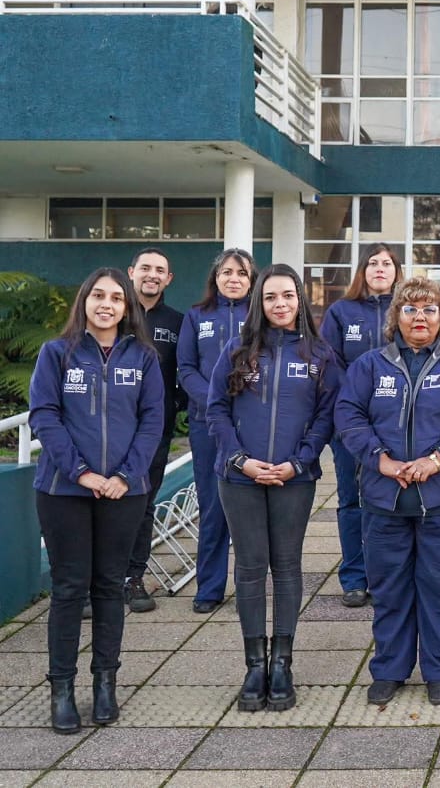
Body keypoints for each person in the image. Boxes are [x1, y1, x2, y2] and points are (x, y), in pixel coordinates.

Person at [334, 277, 440, 707]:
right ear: (396, 318)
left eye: (428, 310)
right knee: (389, 589)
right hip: (385, 499)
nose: (419, 317)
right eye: (409, 310)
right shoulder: (369, 366)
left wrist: (437, 459)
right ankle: (390, 668)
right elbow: (348, 414)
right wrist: (380, 460)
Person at [29, 268, 164, 733]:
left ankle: (105, 684)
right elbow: (44, 416)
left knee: (110, 586)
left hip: (124, 492)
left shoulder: (143, 358)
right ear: (84, 301)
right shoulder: (56, 354)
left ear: (127, 308)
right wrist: (82, 473)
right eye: (98, 296)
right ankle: (61, 689)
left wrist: (125, 476)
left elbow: (152, 421)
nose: (106, 304)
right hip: (64, 491)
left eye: (116, 298)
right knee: (69, 590)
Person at [206, 264, 342, 712]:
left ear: (300, 300)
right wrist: (241, 461)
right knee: (248, 567)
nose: (279, 304)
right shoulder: (236, 350)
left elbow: (327, 417)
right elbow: (216, 413)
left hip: (294, 478)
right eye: (270, 297)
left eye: (287, 296)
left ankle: (282, 661)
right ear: (258, 304)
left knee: (285, 566)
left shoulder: (319, 355)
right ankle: (254, 665)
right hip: (239, 477)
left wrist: (297, 462)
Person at [319, 243, 404, 609]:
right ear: (362, 271)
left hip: (396, 423)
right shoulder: (341, 312)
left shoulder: (405, 311)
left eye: (387, 263)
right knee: (351, 500)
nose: (380, 268)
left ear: (397, 271)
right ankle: (354, 577)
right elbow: (329, 363)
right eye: (373, 263)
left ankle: (388, 575)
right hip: (351, 425)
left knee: (391, 501)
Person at [177, 247, 256, 614]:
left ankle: (250, 586)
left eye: (241, 273)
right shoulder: (196, 316)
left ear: (251, 280)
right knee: (212, 505)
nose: (234, 279)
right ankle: (209, 587)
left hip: (250, 423)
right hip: (207, 424)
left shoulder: (260, 317)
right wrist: (212, 402)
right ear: (216, 278)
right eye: (227, 272)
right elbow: (186, 368)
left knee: (249, 507)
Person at [118, 248, 187, 613]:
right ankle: (97, 582)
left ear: (168, 279)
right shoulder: (113, 313)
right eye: (145, 268)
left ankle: (133, 578)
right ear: (131, 272)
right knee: (100, 503)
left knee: (144, 505)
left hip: (155, 431)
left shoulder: (177, 322)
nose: (152, 275)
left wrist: (174, 406)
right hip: (110, 429)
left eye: (160, 270)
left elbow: (186, 371)